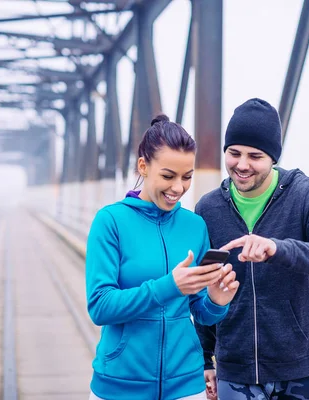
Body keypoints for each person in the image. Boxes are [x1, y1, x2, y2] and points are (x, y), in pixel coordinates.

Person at [194, 98, 309, 400]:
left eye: (255, 155)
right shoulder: (208, 208)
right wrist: (205, 358)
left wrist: (278, 249)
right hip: (235, 369)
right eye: (234, 153)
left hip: (298, 369)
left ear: (274, 158)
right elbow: (202, 285)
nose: (242, 165)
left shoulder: (305, 195)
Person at [86, 114, 240, 400]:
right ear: (143, 166)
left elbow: (199, 312)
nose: (178, 188)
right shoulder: (110, 221)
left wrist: (217, 301)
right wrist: (169, 286)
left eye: (187, 177)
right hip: (120, 385)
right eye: (168, 176)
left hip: (187, 386)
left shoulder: (195, 226)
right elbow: (100, 307)